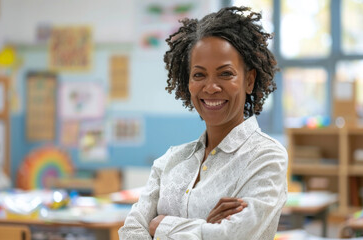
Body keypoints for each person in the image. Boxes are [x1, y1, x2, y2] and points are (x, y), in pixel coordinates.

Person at [119, 6, 287, 240]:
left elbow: (233, 237)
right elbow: (129, 232)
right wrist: (205, 227)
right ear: (187, 82)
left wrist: (161, 226)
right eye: (199, 75)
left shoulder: (265, 157)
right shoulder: (170, 162)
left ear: (249, 80)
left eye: (225, 73)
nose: (211, 87)